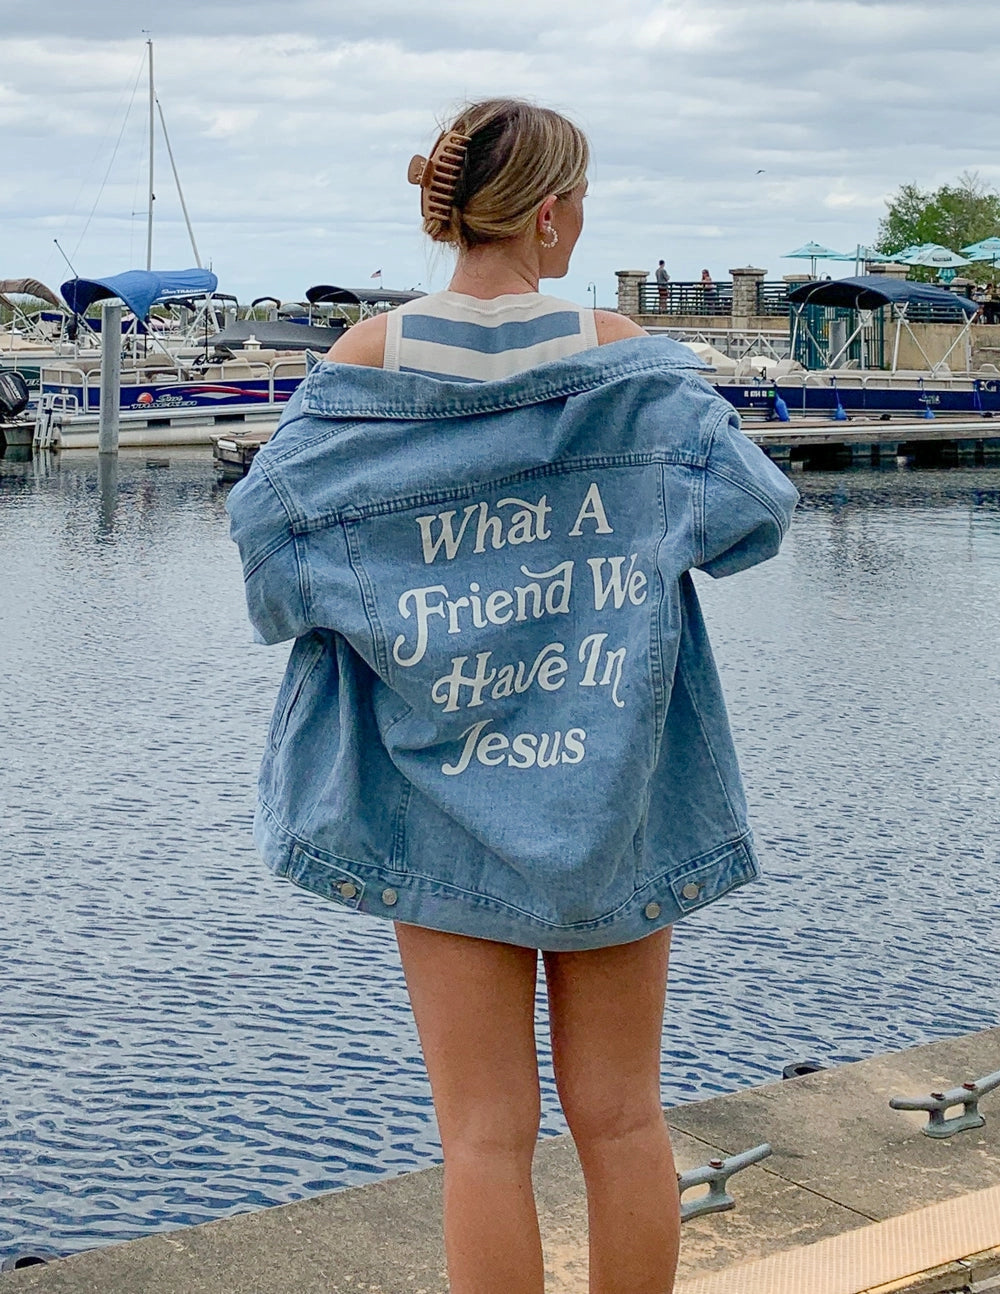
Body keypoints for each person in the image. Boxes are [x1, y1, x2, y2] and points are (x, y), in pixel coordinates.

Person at [227, 98, 797, 1294]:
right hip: (612, 786)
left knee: (482, 1138)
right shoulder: (619, 353)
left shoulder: (364, 363)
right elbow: (750, 517)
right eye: (580, 201)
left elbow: (272, 558)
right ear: (548, 211)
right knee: (623, 1120)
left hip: (434, 790)